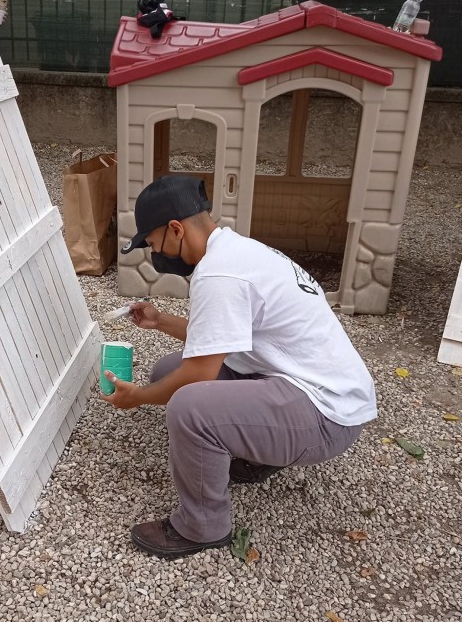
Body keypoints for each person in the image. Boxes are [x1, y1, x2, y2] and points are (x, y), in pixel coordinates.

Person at [101, 175, 377, 560]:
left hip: (327, 414)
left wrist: (139, 399)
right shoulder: (234, 250)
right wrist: (159, 320)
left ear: (176, 229)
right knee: (167, 372)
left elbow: (199, 375)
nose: (153, 251)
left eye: (153, 241)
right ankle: (256, 454)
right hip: (299, 381)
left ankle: (202, 525)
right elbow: (220, 338)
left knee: (189, 405)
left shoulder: (219, 273)